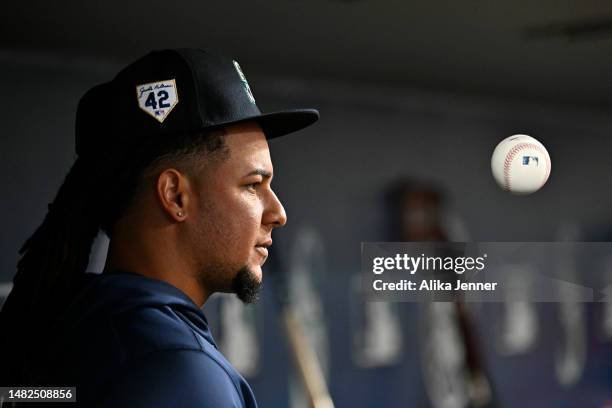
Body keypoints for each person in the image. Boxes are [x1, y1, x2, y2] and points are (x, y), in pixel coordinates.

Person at [0, 48, 319, 407]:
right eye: (252, 184)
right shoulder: (182, 372)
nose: (278, 212)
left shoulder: (72, 328)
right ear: (175, 196)